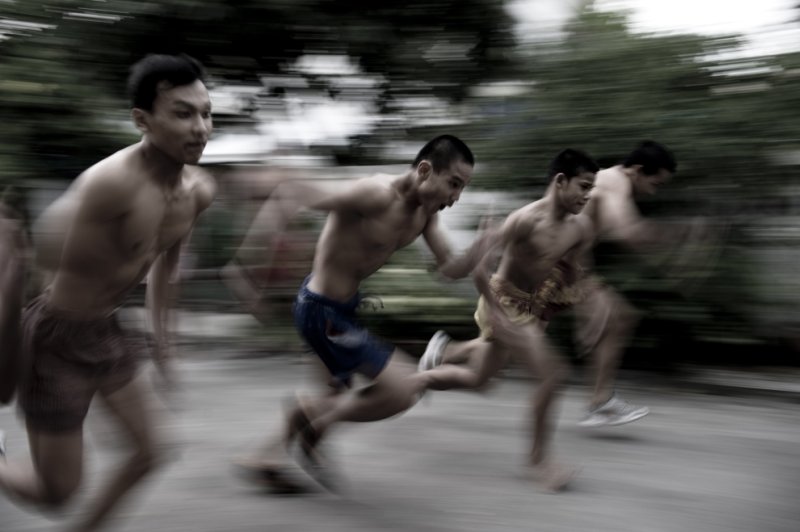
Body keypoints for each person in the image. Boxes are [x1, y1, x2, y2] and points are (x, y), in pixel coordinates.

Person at [0, 54, 216, 532]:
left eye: (206, 112)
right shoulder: (108, 185)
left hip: (108, 330)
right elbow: (35, 272)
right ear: (143, 120)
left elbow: (167, 266)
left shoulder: (199, 189)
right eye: (183, 113)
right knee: (56, 493)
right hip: (55, 340)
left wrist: (165, 342)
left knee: (151, 451)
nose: (200, 127)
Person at [228, 135, 490, 488]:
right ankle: (314, 423)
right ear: (425, 170)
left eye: (462, 189)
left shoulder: (424, 216)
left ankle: (263, 456)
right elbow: (290, 193)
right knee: (405, 389)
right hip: (321, 312)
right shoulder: (376, 193)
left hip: (341, 310)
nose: (455, 197)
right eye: (454, 184)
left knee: (329, 396)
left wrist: (486, 244)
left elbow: (449, 269)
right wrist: (246, 268)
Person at [417, 148, 600, 491]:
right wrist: (499, 315)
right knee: (553, 374)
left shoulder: (580, 228)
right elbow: (479, 270)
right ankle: (538, 461)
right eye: (584, 186)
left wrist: (587, 312)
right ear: (560, 182)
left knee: (480, 380)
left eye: (592, 188)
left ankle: (430, 367)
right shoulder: (525, 220)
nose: (588, 195)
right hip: (502, 300)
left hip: (534, 307)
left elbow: (576, 273)